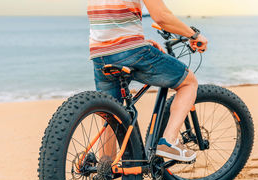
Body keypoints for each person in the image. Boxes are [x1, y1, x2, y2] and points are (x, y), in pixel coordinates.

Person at [88, 0, 208, 163]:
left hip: (99, 54)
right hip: (131, 51)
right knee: (189, 83)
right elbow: (162, 17)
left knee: (110, 117)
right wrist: (194, 35)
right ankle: (169, 141)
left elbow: (111, 21)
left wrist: (140, 41)